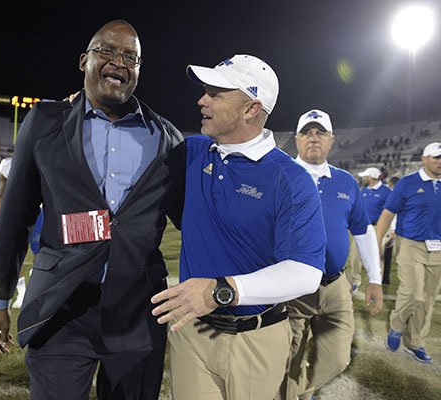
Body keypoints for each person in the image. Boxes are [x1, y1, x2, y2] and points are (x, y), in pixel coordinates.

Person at [0, 20, 185, 400]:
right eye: (107, 50)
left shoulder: (167, 138)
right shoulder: (45, 122)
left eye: (131, 57)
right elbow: (16, 215)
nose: (119, 62)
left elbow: (193, 221)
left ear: (139, 70)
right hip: (61, 308)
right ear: (84, 61)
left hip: (138, 310)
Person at [150, 54, 327, 400]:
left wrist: (221, 290)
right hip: (192, 332)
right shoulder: (194, 151)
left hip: (256, 338)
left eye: (216, 94)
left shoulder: (290, 179)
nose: (202, 100)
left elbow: (305, 273)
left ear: (251, 109)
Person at [279, 109, 384, 400]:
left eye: (320, 132)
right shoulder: (279, 175)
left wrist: (374, 278)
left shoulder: (346, 181)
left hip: (336, 285)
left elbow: (362, 231)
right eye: (307, 132)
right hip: (293, 286)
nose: (314, 138)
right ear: (297, 139)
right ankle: (293, 394)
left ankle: (303, 391)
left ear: (332, 140)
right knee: (287, 357)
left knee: (338, 357)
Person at [377, 142, 441, 363]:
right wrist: (376, 242)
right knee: (413, 292)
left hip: (438, 247)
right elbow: (387, 213)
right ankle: (396, 326)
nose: (440, 162)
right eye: (436, 158)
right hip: (410, 243)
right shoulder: (407, 182)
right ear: (424, 159)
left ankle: (415, 342)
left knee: (428, 300)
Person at [0, 156, 37, 309]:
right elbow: (2, 193)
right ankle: (22, 292)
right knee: (16, 254)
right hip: (17, 212)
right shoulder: (6, 164)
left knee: (41, 255)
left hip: (42, 211)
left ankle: (34, 291)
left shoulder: (42, 152)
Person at [348, 167, 391, 292]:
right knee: (355, 256)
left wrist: (391, 230)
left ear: (371, 177)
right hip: (362, 227)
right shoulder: (364, 191)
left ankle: (377, 284)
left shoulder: (386, 191)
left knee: (377, 257)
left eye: (365, 176)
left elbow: (391, 211)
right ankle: (356, 281)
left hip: (378, 227)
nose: (363, 178)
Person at [381, 175, 400, 285]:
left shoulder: (393, 194)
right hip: (396, 228)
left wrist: (393, 229)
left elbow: (393, 213)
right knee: (387, 255)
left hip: (392, 229)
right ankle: (385, 279)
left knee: (386, 254)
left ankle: (385, 278)